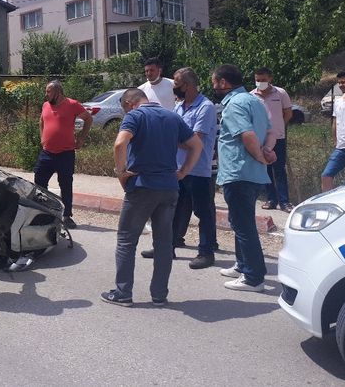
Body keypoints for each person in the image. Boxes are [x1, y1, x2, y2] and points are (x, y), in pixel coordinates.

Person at [100, 89, 202, 307]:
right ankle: (159, 295)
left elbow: (120, 144)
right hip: (169, 187)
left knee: (127, 240)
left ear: (129, 103)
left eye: (124, 107)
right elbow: (197, 145)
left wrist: (121, 173)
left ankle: (123, 292)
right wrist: (183, 172)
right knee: (164, 243)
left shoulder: (135, 116)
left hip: (142, 187)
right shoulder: (173, 116)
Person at [140, 67, 218, 269]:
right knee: (172, 211)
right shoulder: (179, 107)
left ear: (189, 85)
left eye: (177, 84)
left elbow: (195, 141)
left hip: (198, 170)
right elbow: (174, 134)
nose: (174, 88)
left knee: (204, 212)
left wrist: (172, 139)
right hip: (177, 169)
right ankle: (167, 248)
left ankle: (206, 252)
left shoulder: (205, 107)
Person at [213, 64, 276, 293]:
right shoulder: (254, 102)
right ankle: (242, 265)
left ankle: (253, 278)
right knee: (240, 221)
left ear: (223, 83)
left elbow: (247, 135)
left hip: (239, 172)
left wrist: (261, 156)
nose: (214, 87)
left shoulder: (235, 105)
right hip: (252, 174)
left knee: (243, 225)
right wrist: (267, 153)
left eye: (214, 82)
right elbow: (271, 132)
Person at [34, 80, 93, 229]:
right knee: (39, 182)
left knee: (66, 185)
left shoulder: (72, 104)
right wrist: (42, 138)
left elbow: (88, 118)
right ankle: (44, 212)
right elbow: (41, 121)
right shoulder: (46, 105)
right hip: (47, 152)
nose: (46, 94)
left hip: (65, 153)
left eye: (48, 91)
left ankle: (67, 216)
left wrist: (81, 138)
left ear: (58, 92)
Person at [251, 67, 294, 212]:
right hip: (260, 139)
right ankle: (271, 199)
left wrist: (279, 127)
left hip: (279, 138)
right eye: (258, 80)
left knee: (279, 170)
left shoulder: (280, 93)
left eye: (263, 80)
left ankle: (284, 201)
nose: (260, 83)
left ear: (270, 79)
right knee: (265, 170)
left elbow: (288, 113)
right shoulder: (251, 96)